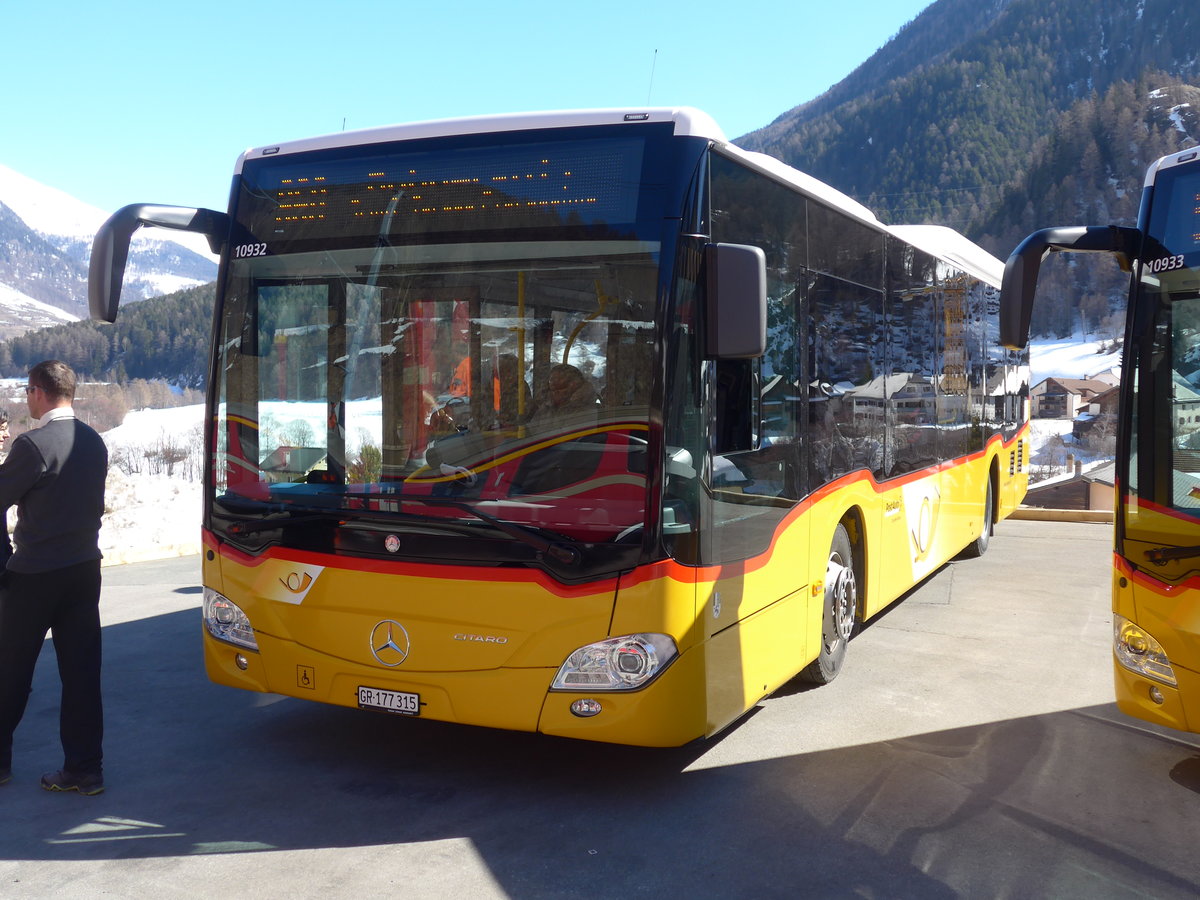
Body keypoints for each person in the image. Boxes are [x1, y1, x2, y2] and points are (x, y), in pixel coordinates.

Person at [0, 361, 109, 795]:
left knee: (10, 670)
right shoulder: (94, 441)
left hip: (35, 574)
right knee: (82, 674)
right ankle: (85, 769)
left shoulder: (32, 445)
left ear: (39, 392)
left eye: (28, 391)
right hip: (84, 570)